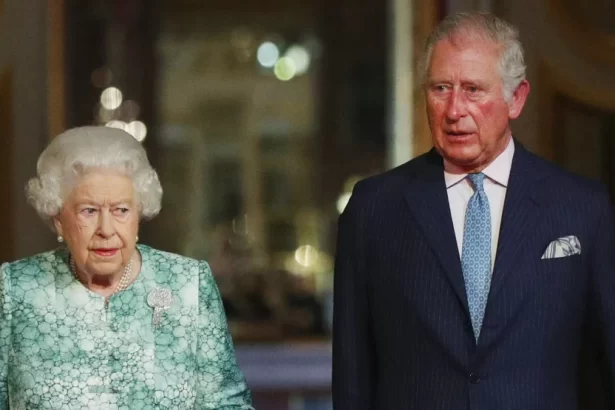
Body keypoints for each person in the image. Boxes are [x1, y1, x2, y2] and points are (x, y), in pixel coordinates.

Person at [332, 11, 615, 410]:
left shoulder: (581, 208)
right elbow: (352, 376)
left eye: (473, 90)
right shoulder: (374, 209)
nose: (453, 110)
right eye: (440, 88)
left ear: (515, 98)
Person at [0, 126, 254, 409]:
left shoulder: (187, 285)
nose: (106, 229)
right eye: (89, 211)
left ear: (138, 215)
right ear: (58, 218)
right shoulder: (17, 289)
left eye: (121, 210)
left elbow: (227, 405)